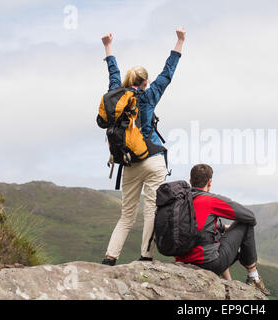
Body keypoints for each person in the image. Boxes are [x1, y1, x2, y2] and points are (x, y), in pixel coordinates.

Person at [100, 28, 186, 266]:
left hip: (129, 162)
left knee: (126, 215)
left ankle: (110, 258)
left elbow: (113, 74)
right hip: (153, 159)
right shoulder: (149, 96)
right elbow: (168, 73)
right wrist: (179, 41)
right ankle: (146, 257)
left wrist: (108, 46)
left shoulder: (118, 94)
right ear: (146, 82)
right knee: (151, 210)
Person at [175, 164, 270, 295]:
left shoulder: (179, 202)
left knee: (215, 233)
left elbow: (196, 225)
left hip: (183, 260)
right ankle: (253, 277)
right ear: (209, 182)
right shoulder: (210, 200)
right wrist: (234, 230)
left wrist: (223, 227)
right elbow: (250, 217)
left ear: (190, 181)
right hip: (209, 264)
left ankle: (229, 282)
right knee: (245, 224)